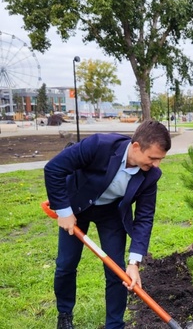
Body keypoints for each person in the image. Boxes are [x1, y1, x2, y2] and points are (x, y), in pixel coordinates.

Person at [44, 120, 171, 329]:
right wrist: (64, 211)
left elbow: (144, 217)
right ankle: (64, 314)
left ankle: (115, 325)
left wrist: (135, 262)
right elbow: (54, 169)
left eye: (160, 159)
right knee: (66, 264)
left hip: (111, 212)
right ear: (137, 147)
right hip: (76, 205)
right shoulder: (99, 145)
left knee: (117, 272)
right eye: (153, 158)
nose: (156, 164)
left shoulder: (151, 175)